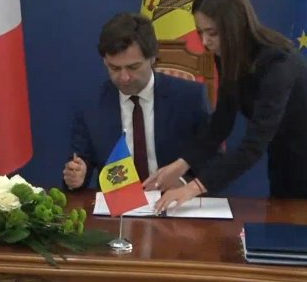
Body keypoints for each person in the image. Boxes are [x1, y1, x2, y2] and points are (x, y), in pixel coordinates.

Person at [146, 0, 307, 282]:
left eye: (212, 33)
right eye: (201, 32)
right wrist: (180, 165)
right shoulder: (226, 56)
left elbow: (253, 145)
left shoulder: (278, 61)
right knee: (287, 254)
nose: (205, 42)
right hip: (287, 164)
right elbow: (220, 125)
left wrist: (193, 188)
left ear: (235, 26)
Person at [63, 13, 210, 190]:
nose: (124, 77)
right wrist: (77, 176)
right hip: (117, 202)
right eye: (115, 68)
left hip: (174, 199)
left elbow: (211, 158)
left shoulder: (189, 97)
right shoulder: (90, 104)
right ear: (104, 61)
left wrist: (183, 183)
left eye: (133, 67)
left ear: (153, 58)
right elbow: (80, 160)